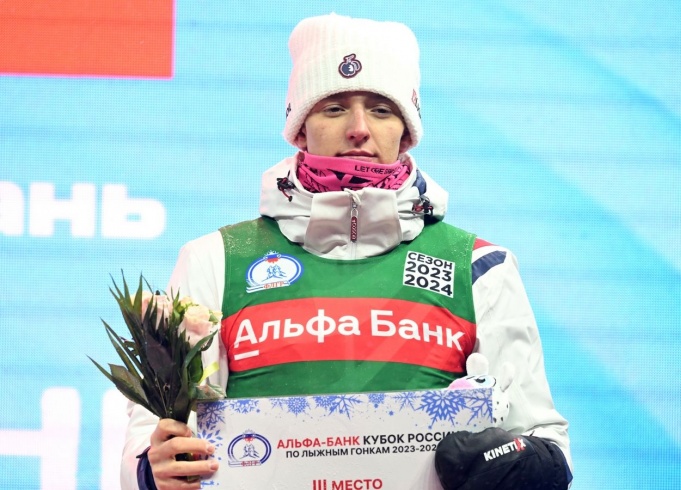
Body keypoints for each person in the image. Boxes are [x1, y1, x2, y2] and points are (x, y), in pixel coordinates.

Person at [121, 13, 572, 490]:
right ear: (300, 127)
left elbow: (542, 442)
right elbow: (153, 442)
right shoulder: (216, 259)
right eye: (335, 108)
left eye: (381, 109)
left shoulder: (479, 266)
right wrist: (154, 470)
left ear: (406, 130)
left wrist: (522, 465)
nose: (359, 128)